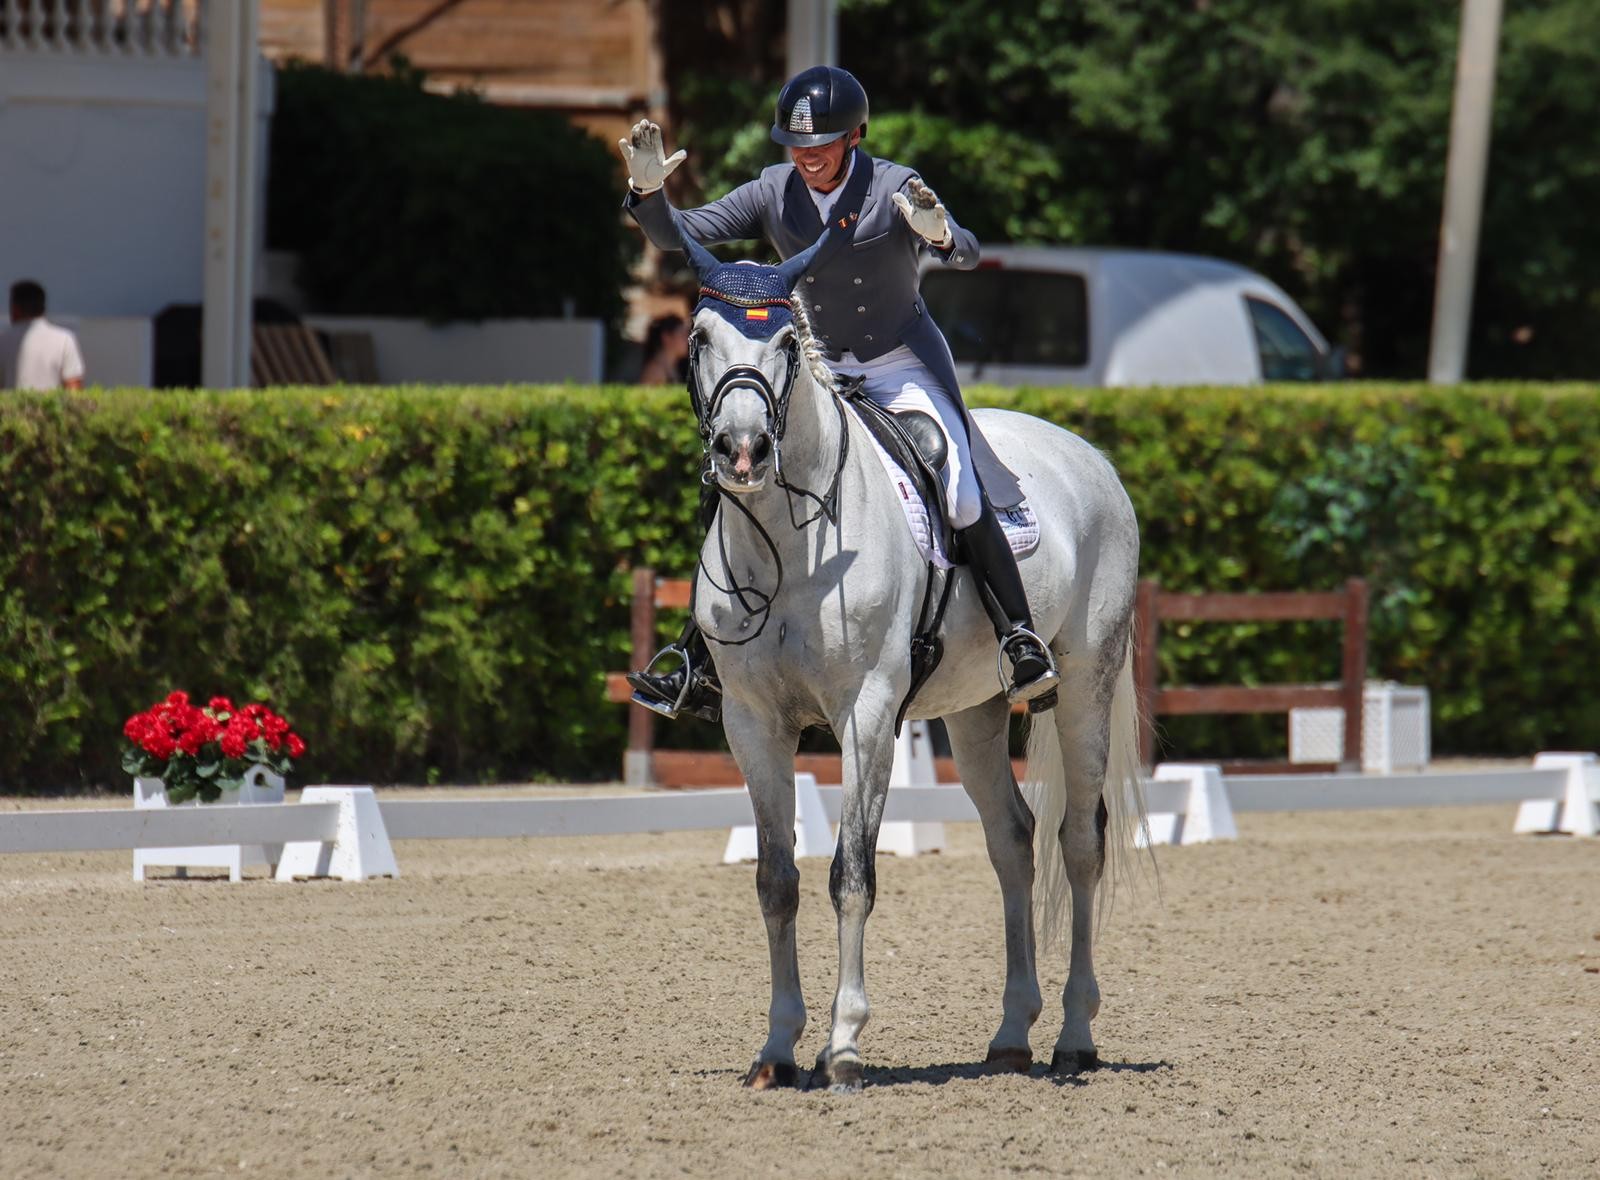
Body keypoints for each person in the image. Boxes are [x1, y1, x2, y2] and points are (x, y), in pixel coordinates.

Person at [618, 65, 1058, 723]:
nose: (807, 156)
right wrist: (647, 192)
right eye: (797, 145)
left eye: (821, 143)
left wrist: (938, 233)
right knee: (740, 469)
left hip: (897, 363)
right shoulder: (773, 190)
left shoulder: (894, 187)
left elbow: (965, 251)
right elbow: (677, 233)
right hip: (817, 368)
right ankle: (698, 656)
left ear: (855, 136)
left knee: (958, 484)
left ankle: (1019, 637)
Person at [1, 280, 85, 391]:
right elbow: (74, 388)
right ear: (43, 308)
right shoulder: (64, 340)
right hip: (52, 402)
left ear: (15, 309)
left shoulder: (3, 340)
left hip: (12, 403)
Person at [638, 313, 689, 385]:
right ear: (666, 337)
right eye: (682, 335)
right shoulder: (655, 372)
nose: (687, 340)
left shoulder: (673, 368)